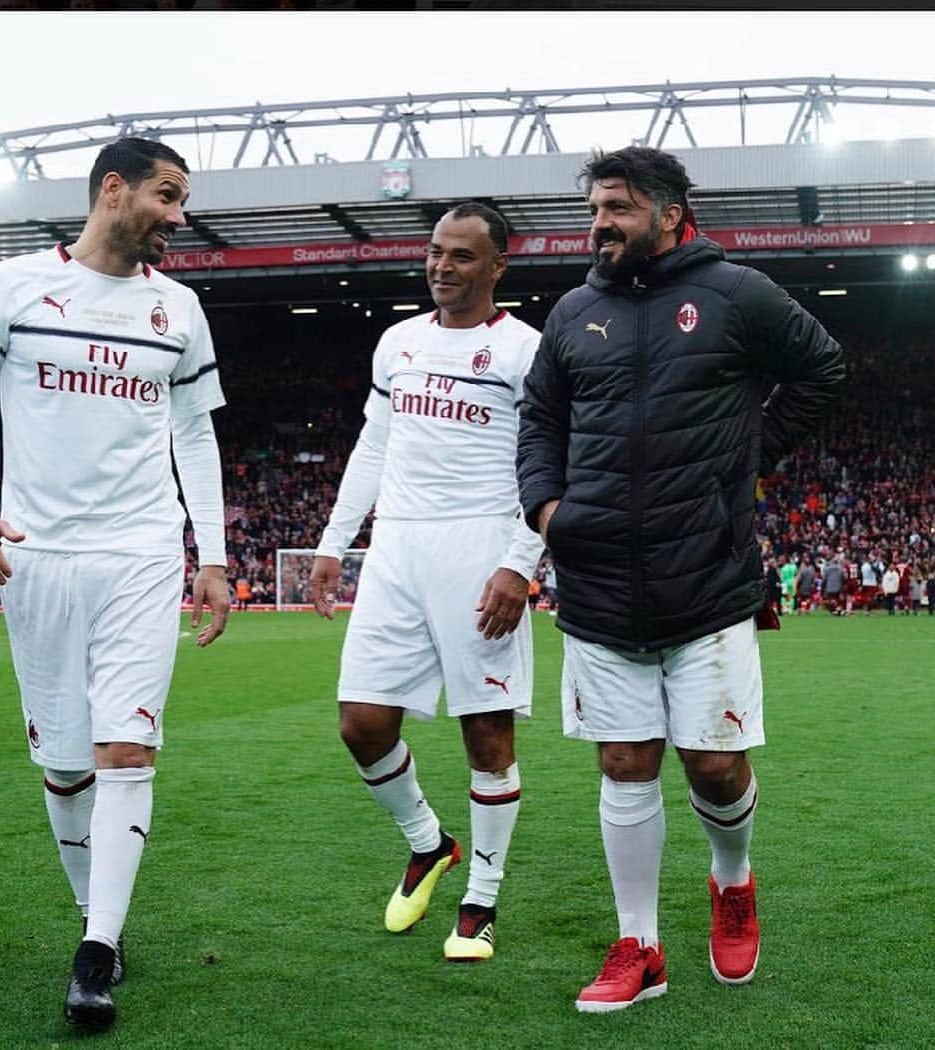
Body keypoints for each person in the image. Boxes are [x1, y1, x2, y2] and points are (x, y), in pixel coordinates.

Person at [517, 146, 844, 1012]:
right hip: (597, 582)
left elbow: (823, 369)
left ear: (668, 213)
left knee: (713, 766)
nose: (600, 223)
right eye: (594, 208)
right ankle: (640, 946)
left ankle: (731, 882)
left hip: (706, 577)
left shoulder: (737, 293)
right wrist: (546, 512)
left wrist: (744, 463)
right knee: (624, 763)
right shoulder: (573, 311)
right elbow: (541, 419)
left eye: (618, 207)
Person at [0, 137, 230, 1032]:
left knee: (125, 749)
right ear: (112, 189)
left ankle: (97, 949)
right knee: (63, 767)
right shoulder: (12, 287)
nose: (179, 217)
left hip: (140, 553)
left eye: (183, 200)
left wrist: (208, 556)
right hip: (37, 558)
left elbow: (197, 438)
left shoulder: (178, 309)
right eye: (167, 197)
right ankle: (93, 917)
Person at [309, 202, 543, 963]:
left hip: (480, 547)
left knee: (487, 733)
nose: (443, 267)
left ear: (497, 265)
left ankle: (481, 896)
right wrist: (333, 544)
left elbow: (550, 467)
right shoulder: (398, 341)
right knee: (361, 724)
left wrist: (520, 561)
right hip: (396, 550)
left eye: (463, 256)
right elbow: (374, 443)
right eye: (437, 252)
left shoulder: (525, 351)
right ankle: (427, 841)